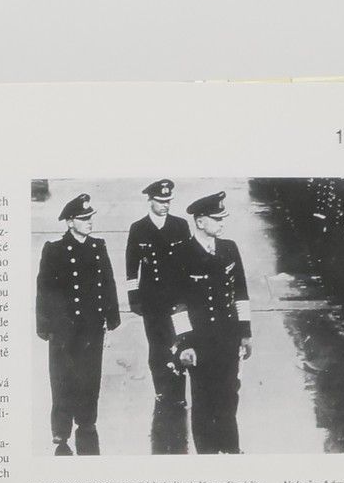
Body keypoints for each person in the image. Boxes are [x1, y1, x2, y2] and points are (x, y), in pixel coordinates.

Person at [35, 193, 120, 455]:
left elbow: (108, 282)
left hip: (92, 326)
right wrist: (44, 325)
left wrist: (111, 317)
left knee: (90, 376)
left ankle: (86, 420)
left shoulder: (98, 247)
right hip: (64, 328)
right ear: (70, 222)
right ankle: (61, 430)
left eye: (90, 217)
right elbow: (44, 290)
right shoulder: (55, 249)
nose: (89, 222)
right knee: (62, 378)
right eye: (84, 218)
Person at [170, 190, 252, 453]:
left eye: (222, 218)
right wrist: (185, 344)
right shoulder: (182, 254)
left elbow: (241, 293)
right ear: (200, 221)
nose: (221, 223)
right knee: (204, 401)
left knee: (229, 397)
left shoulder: (229, 249)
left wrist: (245, 333)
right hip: (200, 342)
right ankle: (207, 456)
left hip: (228, 338)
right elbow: (178, 305)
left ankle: (230, 451)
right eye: (216, 219)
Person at [123, 178, 193, 453]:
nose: (165, 205)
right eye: (161, 201)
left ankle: (178, 392)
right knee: (157, 346)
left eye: (168, 201)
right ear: (150, 201)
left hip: (178, 301)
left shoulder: (180, 226)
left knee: (181, 343)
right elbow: (131, 266)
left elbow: (188, 262)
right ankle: (162, 390)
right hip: (152, 301)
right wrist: (134, 298)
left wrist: (190, 296)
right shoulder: (139, 229)